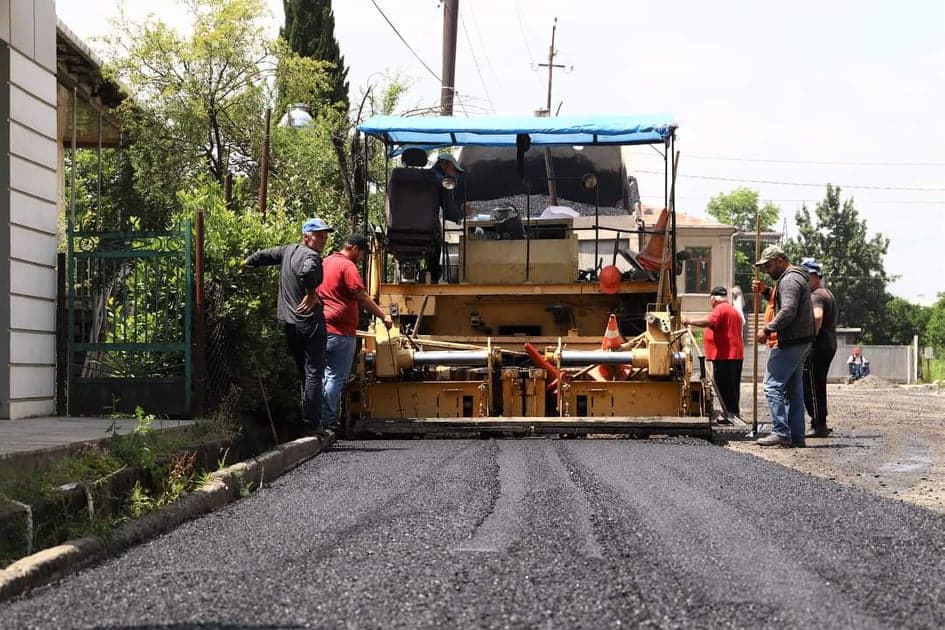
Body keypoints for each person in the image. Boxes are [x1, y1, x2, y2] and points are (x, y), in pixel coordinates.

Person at [244, 217, 333, 434]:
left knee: (304, 371)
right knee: (313, 372)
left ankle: (305, 419)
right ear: (306, 236)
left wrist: (246, 263)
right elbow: (307, 272)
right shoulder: (312, 256)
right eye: (318, 234)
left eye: (324, 234)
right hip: (310, 323)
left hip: (290, 324)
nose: (323, 238)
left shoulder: (287, 251)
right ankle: (312, 425)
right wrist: (312, 294)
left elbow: (262, 256)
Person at [318, 234, 394, 431]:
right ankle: (327, 420)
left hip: (321, 328)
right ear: (353, 248)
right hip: (341, 331)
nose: (362, 258)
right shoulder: (347, 266)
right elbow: (361, 296)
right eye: (361, 253)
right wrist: (383, 315)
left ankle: (316, 418)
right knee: (336, 376)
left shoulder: (325, 262)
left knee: (323, 375)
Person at [751, 245, 815, 447]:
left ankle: (780, 431)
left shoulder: (789, 280)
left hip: (790, 341)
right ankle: (797, 436)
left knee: (772, 386)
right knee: (793, 390)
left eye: (769, 266)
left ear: (780, 260)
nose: (767, 271)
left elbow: (787, 310)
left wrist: (768, 329)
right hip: (801, 340)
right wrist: (766, 291)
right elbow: (784, 301)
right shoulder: (793, 279)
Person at [683, 286, 745, 424]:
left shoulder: (721, 309)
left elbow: (710, 321)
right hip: (733, 354)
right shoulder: (731, 309)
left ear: (712, 298)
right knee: (731, 387)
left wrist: (689, 321)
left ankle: (730, 414)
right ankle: (732, 413)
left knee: (725, 386)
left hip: (725, 355)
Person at [800, 258, 838, 437]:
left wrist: (810, 337)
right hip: (828, 343)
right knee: (818, 384)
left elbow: (817, 316)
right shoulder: (826, 292)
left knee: (812, 386)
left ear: (813, 276)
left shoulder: (816, 296)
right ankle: (820, 421)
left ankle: (818, 424)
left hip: (818, 345)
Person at [425, 153, 464, 283]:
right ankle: (433, 280)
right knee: (435, 250)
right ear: (445, 165)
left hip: (399, 233)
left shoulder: (404, 178)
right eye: (454, 170)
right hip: (428, 233)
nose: (454, 175)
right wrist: (464, 214)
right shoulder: (441, 180)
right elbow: (449, 212)